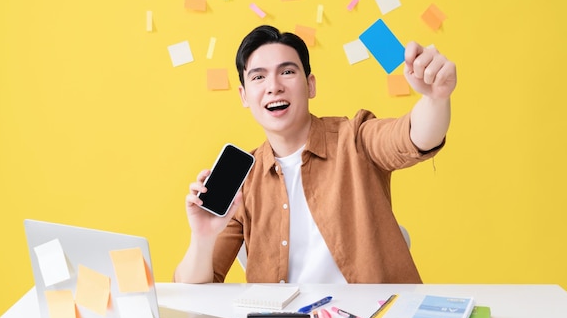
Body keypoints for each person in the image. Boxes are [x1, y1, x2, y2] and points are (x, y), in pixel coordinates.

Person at [175, 25, 456, 284]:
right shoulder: (243, 183)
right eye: (258, 77)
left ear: (310, 85)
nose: (274, 86)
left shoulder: (355, 137)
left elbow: (413, 136)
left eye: (287, 72)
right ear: (244, 96)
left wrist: (435, 97)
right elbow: (195, 289)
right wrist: (201, 237)